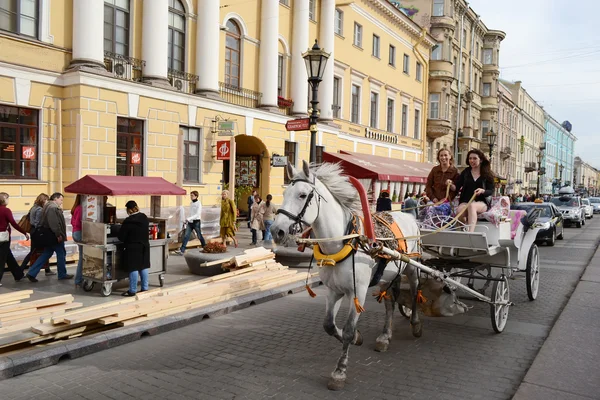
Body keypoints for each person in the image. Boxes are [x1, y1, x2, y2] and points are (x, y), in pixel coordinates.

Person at [25, 192, 73, 282]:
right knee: (61, 253)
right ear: (55, 199)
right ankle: (62, 274)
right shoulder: (52, 208)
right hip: (54, 236)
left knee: (46, 253)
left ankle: (32, 272)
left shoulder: (48, 206)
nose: (61, 202)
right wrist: (58, 234)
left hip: (48, 235)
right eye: (61, 199)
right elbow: (54, 223)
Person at [448, 148, 495, 232]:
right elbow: (456, 187)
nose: (472, 160)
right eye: (470, 158)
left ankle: (470, 233)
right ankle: (463, 230)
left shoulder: (487, 173)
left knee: (472, 206)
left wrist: (482, 191)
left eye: (474, 158)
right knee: (459, 211)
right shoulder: (466, 172)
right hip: (465, 201)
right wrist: (450, 184)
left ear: (480, 160)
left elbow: (491, 191)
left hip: (482, 202)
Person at [117, 201, 150, 296]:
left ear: (129, 210)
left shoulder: (128, 221)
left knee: (133, 268)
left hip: (132, 247)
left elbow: (121, 237)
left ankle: (132, 290)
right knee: (143, 266)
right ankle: (145, 288)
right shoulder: (144, 217)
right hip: (144, 246)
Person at [21, 193, 54, 275]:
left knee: (42, 250)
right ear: (43, 200)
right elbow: (37, 223)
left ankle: (47, 269)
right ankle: (21, 269)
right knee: (36, 251)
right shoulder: (39, 209)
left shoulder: (33, 207)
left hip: (34, 232)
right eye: (46, 200)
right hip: (38, 232)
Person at [0, 192, 27, 286]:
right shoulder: (6, 210)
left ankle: (18, 274)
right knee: (2, 258)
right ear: (4, 199)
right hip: (3, 237)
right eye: (8, 198)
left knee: (8, 256)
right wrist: (24, 232)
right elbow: (13, 223)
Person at [174, 191, 206, 255]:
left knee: (199, 235)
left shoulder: (198, 203)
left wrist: (189, 218)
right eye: (190, 195)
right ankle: (182, 250)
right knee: (186, 236)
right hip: (190, 222)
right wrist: (187, 219)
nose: (191, 197)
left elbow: (197, 214)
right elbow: (190, 213)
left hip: (196, 221)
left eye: (192, 195)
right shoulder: (191, 203)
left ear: (196, 196)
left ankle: (205, 248)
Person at [71, 195, 84, 288]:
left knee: (82, 256)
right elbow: (79, 222)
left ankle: (80, 279)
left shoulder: (76, 208)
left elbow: (73, 222)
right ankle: (78, 279)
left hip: (76, 231)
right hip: (80, 232)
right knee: (83, 258)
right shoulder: (81, 208)